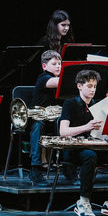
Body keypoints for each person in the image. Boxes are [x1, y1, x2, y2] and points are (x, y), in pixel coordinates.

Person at [58, 69, 108, 216]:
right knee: (90, 156)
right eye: (89, 86)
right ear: (79, 86)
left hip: (96, 147)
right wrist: (87, 127)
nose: (93, 89)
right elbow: (63, 131)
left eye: (95, 86)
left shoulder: (98, 105)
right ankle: (83, 202)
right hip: (73, 150)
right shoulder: (70, 104)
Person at [29, 50, 62, 184]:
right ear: (44, 66)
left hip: (54, 119)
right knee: (38, 125)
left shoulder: (58, 78)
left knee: (66, 122)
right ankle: (35, 168)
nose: (58, 66)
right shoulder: (44, 78)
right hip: (36, 118)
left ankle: (67, 165)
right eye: (54, 64)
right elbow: (59, 82)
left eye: (60, 63)